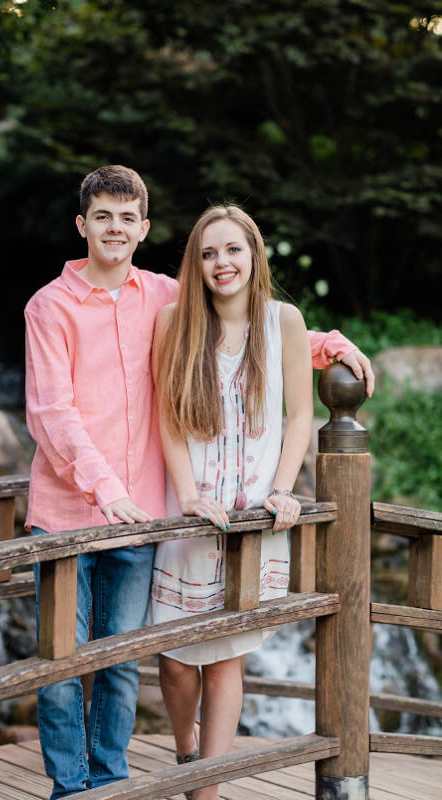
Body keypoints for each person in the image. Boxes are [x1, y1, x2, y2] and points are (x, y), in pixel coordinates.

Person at [24, 165, 374, 800]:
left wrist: (327, 344)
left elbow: (245, 318)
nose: (114, 228)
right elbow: (52, 414)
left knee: (122, 663)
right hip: (72, 513)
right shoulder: (48, 307)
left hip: (141, 517)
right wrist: (108, 489)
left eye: (127, 218)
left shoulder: (162, 295)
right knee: (62, 664)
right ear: (81, 224)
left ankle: (111, 782)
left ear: (144, 228)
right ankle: (71, 790)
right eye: (102, 217)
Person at [150, 204, 311, 800]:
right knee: (173, 659)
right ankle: (187, 752)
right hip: (190, 517)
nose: (222, 263)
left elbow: (301, 416)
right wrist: (188, 495)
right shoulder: (175, 322)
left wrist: (283, 489)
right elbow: (167, 419)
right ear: (196, 264)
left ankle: (205, 789)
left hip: (252, 521)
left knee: (224, 660)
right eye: (209, 253)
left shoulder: (283, 322)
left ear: (254, 254)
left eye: (233, 249)